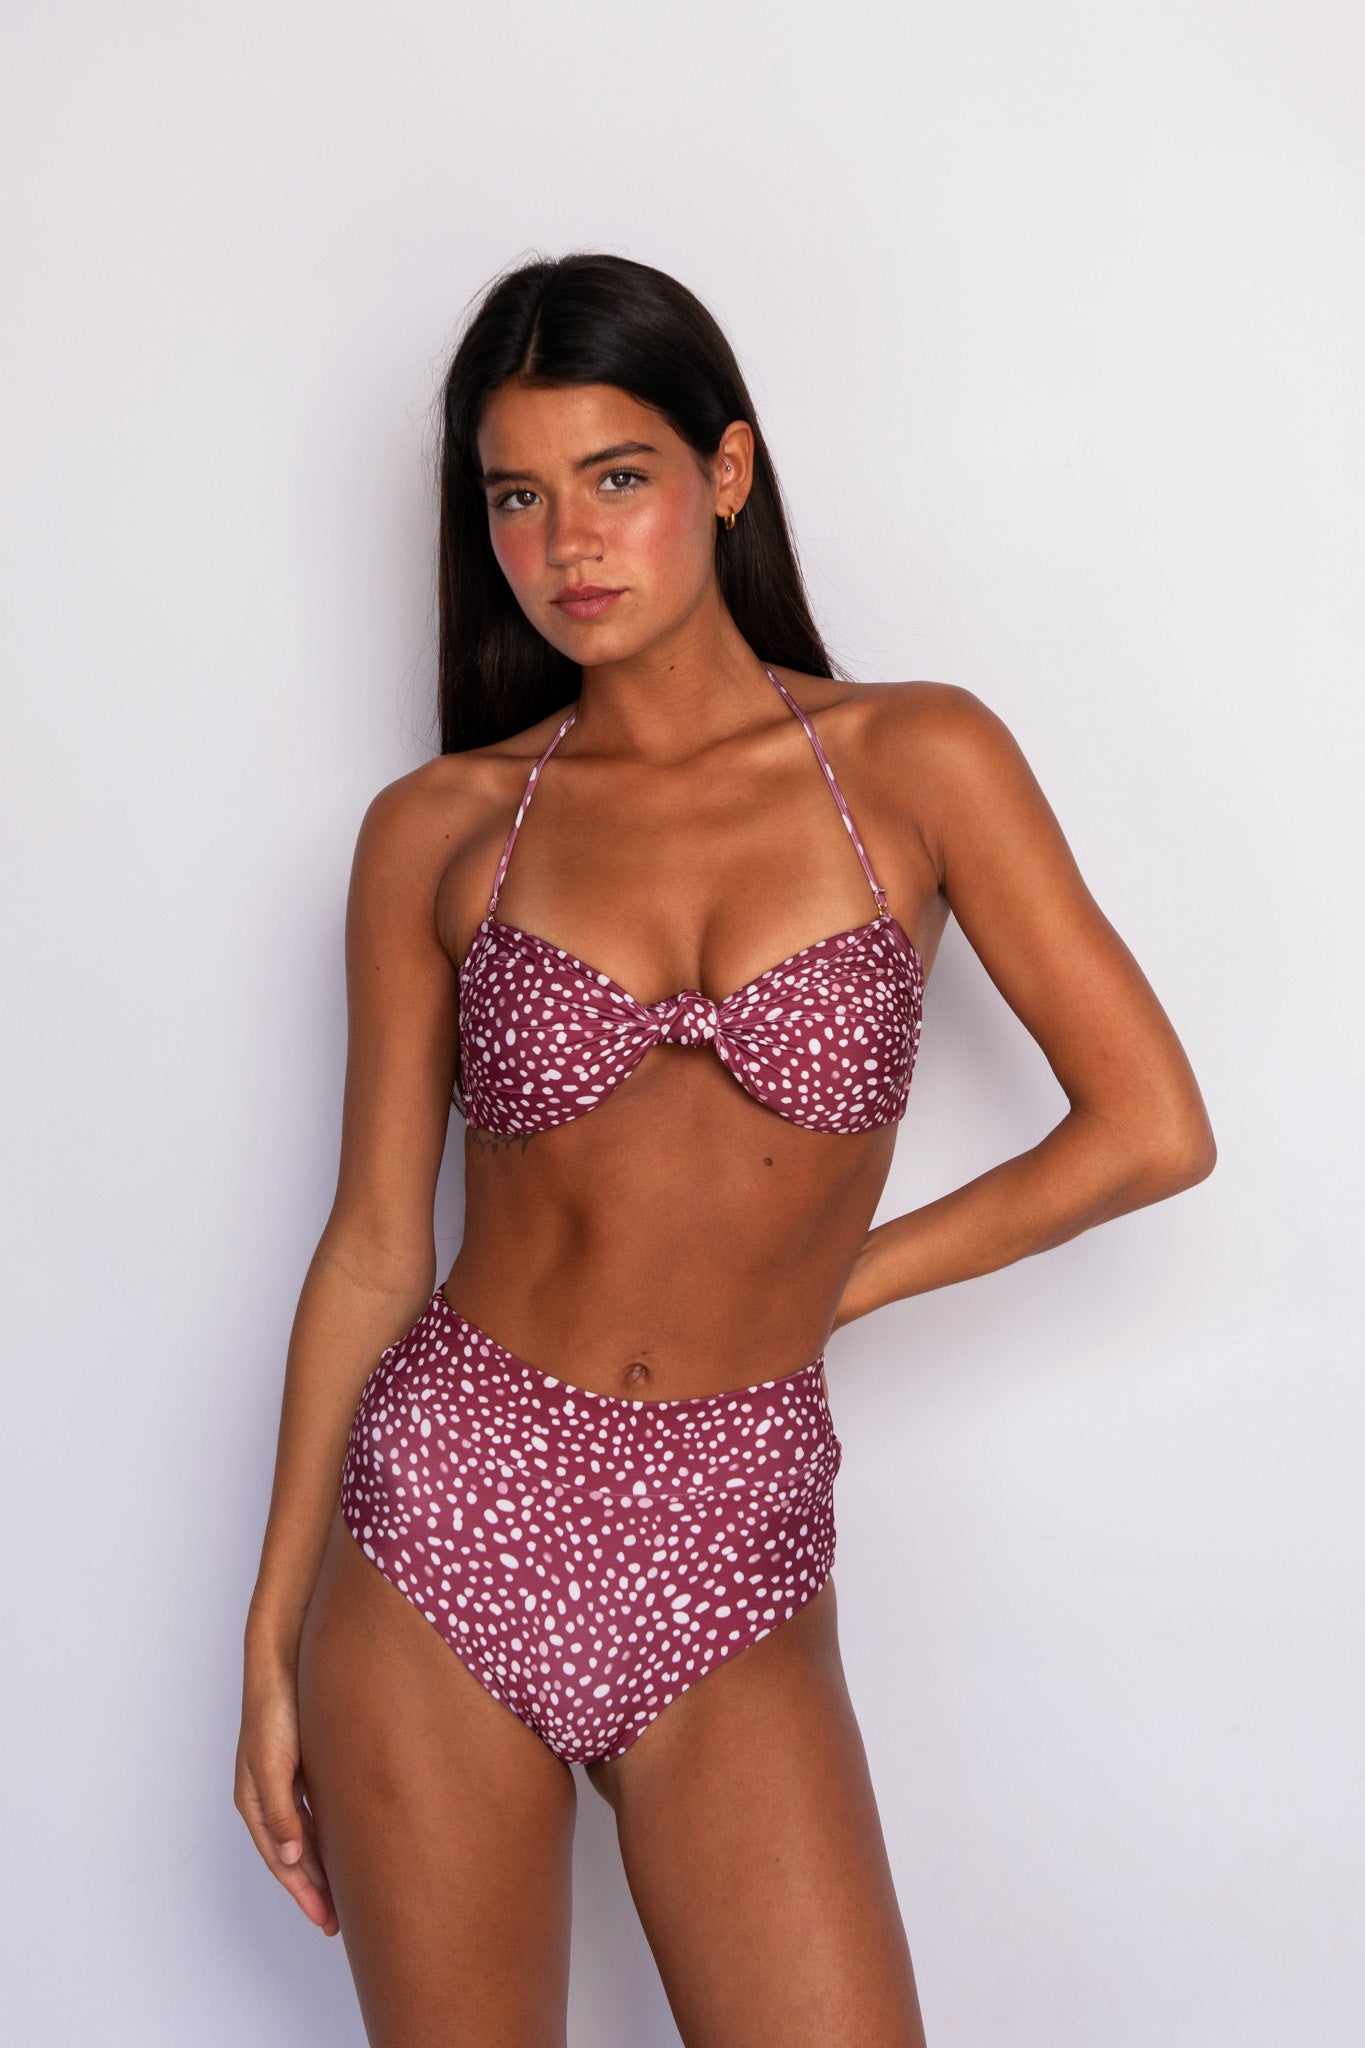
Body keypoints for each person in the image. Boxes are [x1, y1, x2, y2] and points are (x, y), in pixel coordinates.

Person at [235, 252, 1216, 2046]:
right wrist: (269, 1636)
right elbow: (374, 1242)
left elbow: (1147, 1128)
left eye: (615, 478)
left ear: (728, 471)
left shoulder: (914, 760)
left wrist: (834, 1285)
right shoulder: (440, 829)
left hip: (730, 1520)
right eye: (515, 498)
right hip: (445, 1514)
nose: (567, 545)